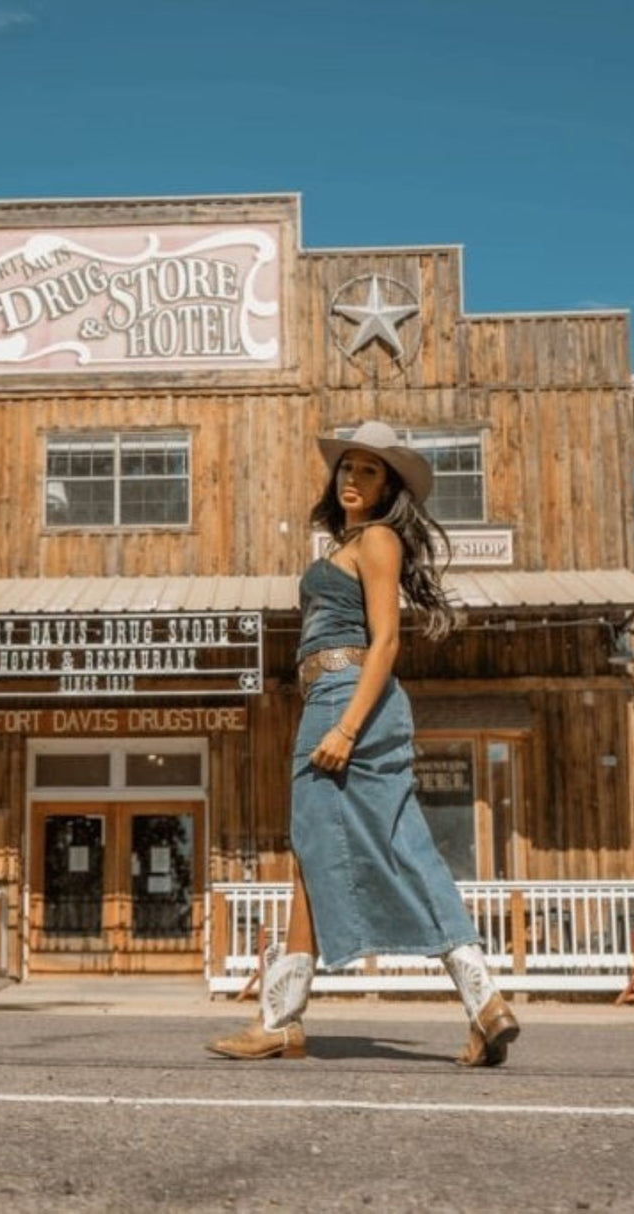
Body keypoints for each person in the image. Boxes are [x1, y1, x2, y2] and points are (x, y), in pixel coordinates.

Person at [207, 420, 519, 1066]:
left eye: (369, 470)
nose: (353, 477)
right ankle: (483, 1003)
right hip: (337, 697)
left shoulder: (377, 539)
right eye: (347, 467)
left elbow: (388, 641)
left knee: (359, 846)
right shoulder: (348, 543)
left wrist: (347, 726)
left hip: (347, 700)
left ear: (389, 488)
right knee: (340, 848)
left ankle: (282, 1021)